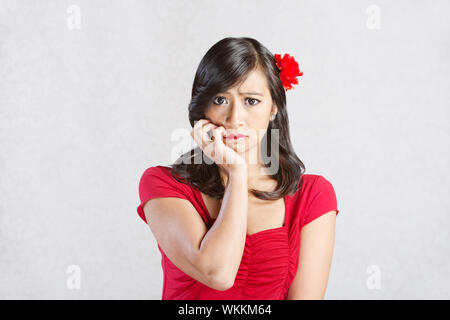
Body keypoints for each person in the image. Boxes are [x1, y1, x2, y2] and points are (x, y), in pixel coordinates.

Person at [137, 37, 339, 300]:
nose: (234, 118)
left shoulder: (312, 196)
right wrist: (236, 173)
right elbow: (218, 273)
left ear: (273, 107)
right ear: (202, 107)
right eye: (220, 100)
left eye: (251, 101)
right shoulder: (163, 184)